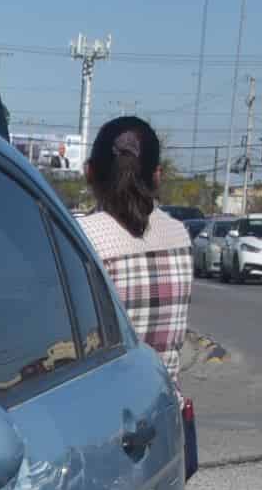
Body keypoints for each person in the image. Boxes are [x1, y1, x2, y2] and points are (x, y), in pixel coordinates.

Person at [78, 118, 194, 386]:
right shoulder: (179, 235)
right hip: (162, 404)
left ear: (89, 172)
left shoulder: (82, 237)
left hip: (102, 411)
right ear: (157, 174)